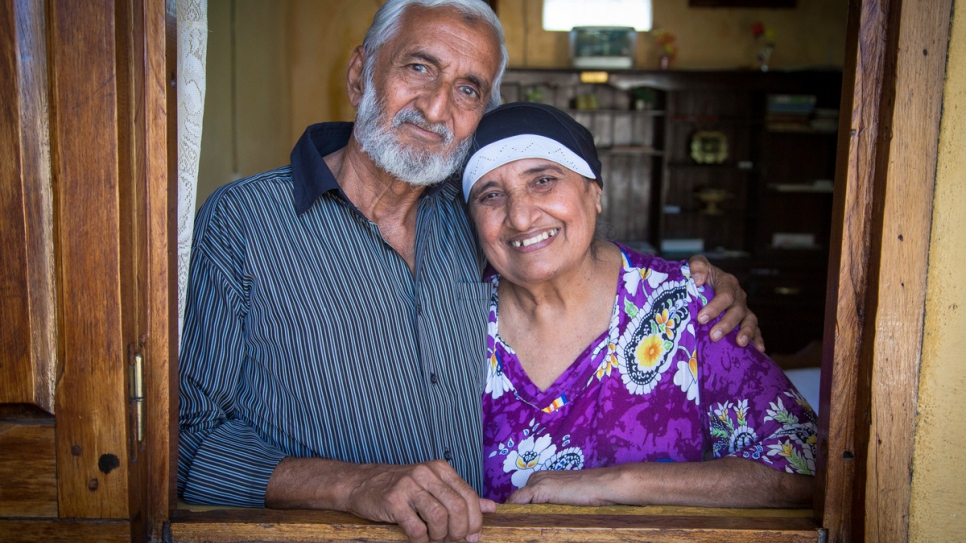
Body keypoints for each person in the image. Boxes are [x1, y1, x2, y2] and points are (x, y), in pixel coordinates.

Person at [178, 1, 761, 542]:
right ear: (360, 74)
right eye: (418, 68)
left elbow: (557, 238)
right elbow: (189, 443)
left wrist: (696, 281)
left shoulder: (471, 217)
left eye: (467, 89)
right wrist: (355, 485)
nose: (436, 109)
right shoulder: (244, 223)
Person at [463, 102, 817, 508]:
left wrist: (615, 483)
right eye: (490, 194)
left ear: (593, 192)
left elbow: (803, 465)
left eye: (543, 180)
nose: (521, 218)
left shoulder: (685, 307)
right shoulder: (457, 320)